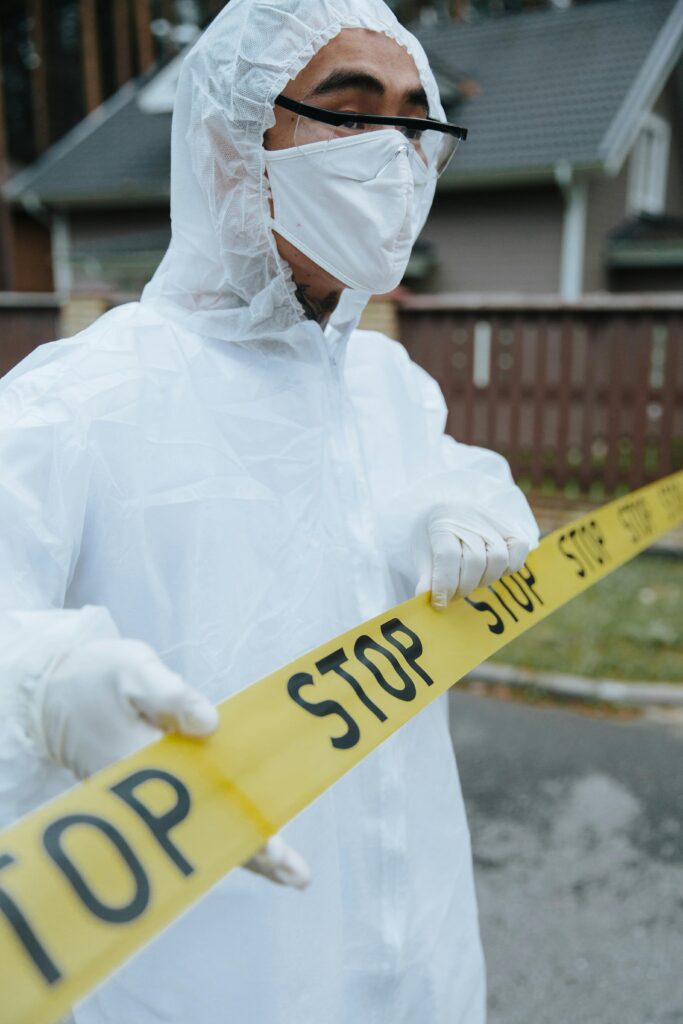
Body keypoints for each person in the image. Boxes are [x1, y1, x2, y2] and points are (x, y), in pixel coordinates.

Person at [0, 1, 539, 1021]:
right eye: (352, 114)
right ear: (229, 142)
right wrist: (39, 686)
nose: (394, 158)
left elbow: (453, 478)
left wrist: (463, 498)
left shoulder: (385, 386)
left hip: (417, 962)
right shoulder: (78, 403)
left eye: (415, 124)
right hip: (202, 978)